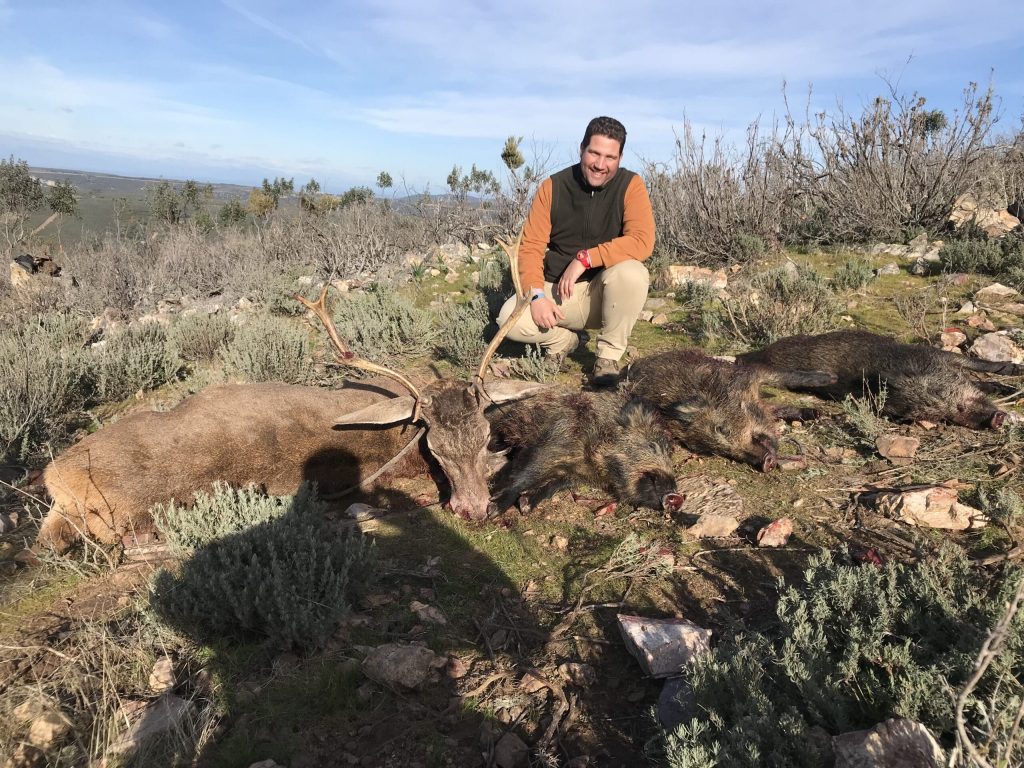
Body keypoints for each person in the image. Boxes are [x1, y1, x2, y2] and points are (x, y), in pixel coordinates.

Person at [497, 116, 655, 385]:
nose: (600, 164)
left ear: (620, 157)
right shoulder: (553, 187)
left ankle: (607, 358)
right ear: (581, 149)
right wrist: (536, 295)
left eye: (610, 157)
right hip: (559, 293)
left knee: (632, 273)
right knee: (508, 320)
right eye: (594, 153)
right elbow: (532, 247)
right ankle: (563, 340)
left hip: (603, 295)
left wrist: (586, 258)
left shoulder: (631, 185)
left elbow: (642, 241)